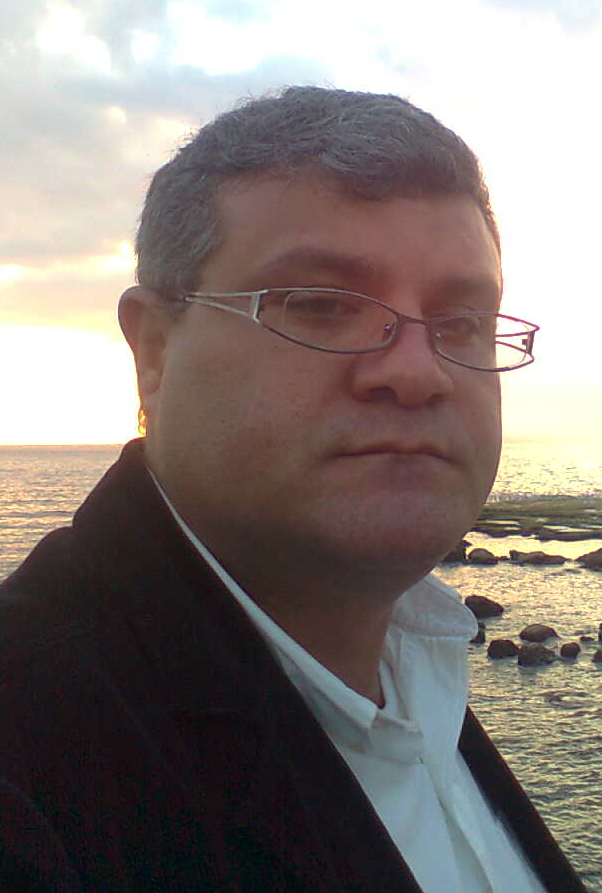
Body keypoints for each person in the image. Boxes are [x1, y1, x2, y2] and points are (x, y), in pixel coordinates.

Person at [0, 87, 585, 893]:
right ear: (155, 352)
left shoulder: (416, 671)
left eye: (460, 323)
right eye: (321, 305)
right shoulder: (32, 759)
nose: (418, 372)